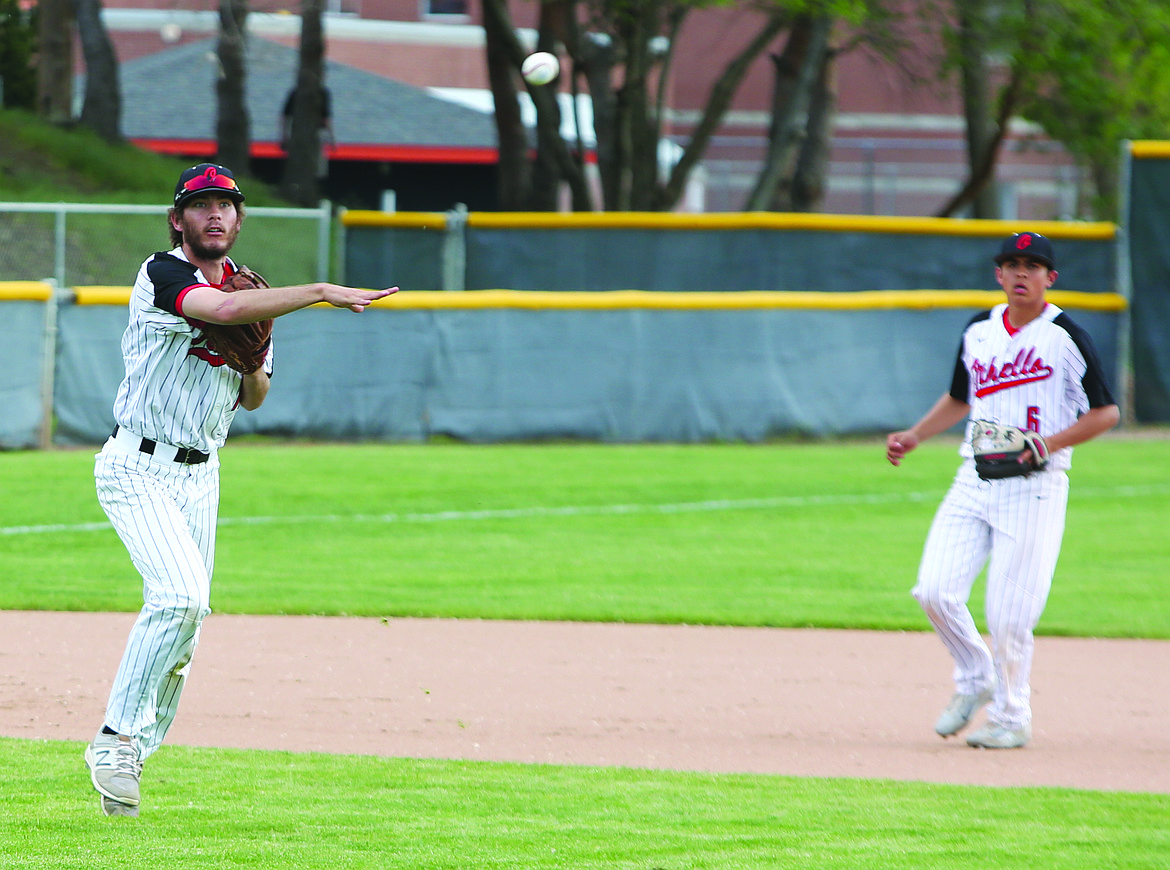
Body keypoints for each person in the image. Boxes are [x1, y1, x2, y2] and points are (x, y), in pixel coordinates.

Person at [84, 163, 395, 816]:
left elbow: (254, 399)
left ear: (239, 220)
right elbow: (219, 310)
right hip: (136, 465)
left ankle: (135, 753)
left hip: (202, 474)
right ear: (179, 221)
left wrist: (253, 358)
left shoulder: (255, 295)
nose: (215, 214)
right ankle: (113, 739)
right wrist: (317, 291)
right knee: (179, 597)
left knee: (188, 625)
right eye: (201, 206)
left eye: (226, 204)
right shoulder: (161, 274)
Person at [885, 231, 1119, 749]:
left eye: (1032, 266)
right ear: (998, 274)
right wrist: (915, 435)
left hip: (1035, 486)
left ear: (1049, 278)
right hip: (974, 476)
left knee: (1010, 614)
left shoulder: (1066, 336)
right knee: (934, 590)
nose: (1020, 273)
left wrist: (1047, 444)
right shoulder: (979, 330)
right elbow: (959, 397)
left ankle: (1013, 718)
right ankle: (976, 678)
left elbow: (1106, 412)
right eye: (1011, 264)